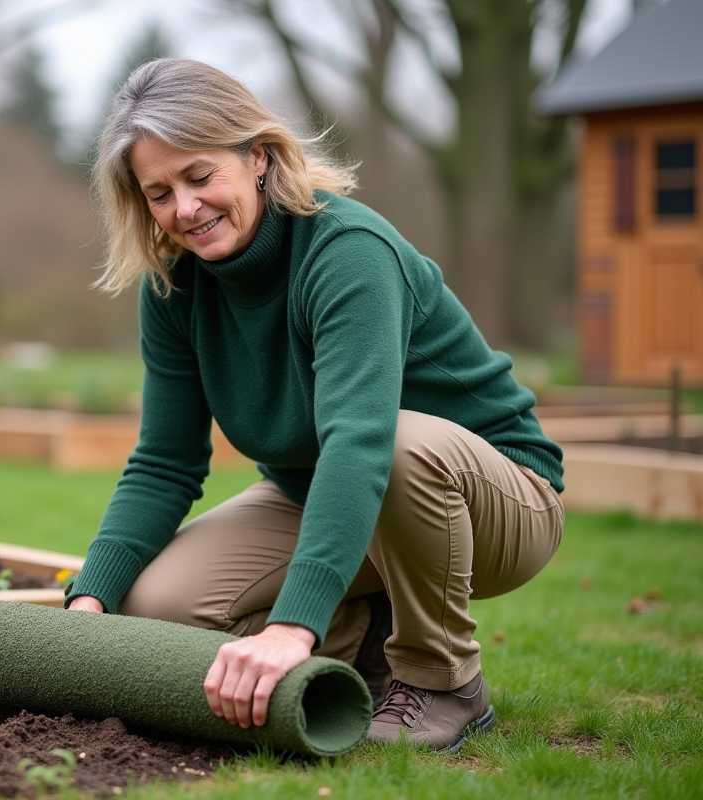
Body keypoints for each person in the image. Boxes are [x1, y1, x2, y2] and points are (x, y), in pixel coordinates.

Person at [63, 58, 565, 754]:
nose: (184, 208)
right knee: (159, 605)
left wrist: (291, 623)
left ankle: (444, 682)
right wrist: (91, 600)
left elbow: (359, 440)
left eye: (199, 176)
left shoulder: (347, 252)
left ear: (258, 158)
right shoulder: (174, 289)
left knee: (398, 442)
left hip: (493, 504)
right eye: (159, 192)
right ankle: (366, 645)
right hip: (328, 498)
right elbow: (164, 462)